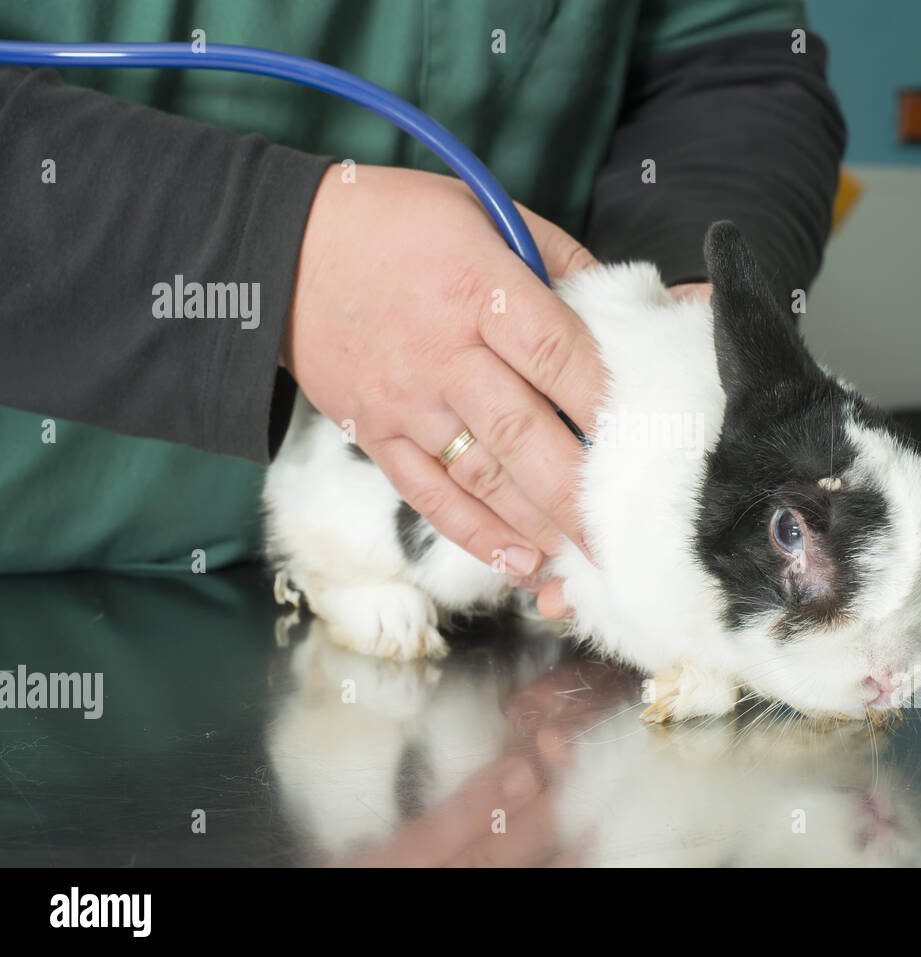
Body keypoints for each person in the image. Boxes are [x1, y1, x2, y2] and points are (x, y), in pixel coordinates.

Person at [0, 0, 845, 618]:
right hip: (47, 600)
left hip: (503, 606)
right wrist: (281, 253)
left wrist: (690, 318)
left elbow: (729, 57)